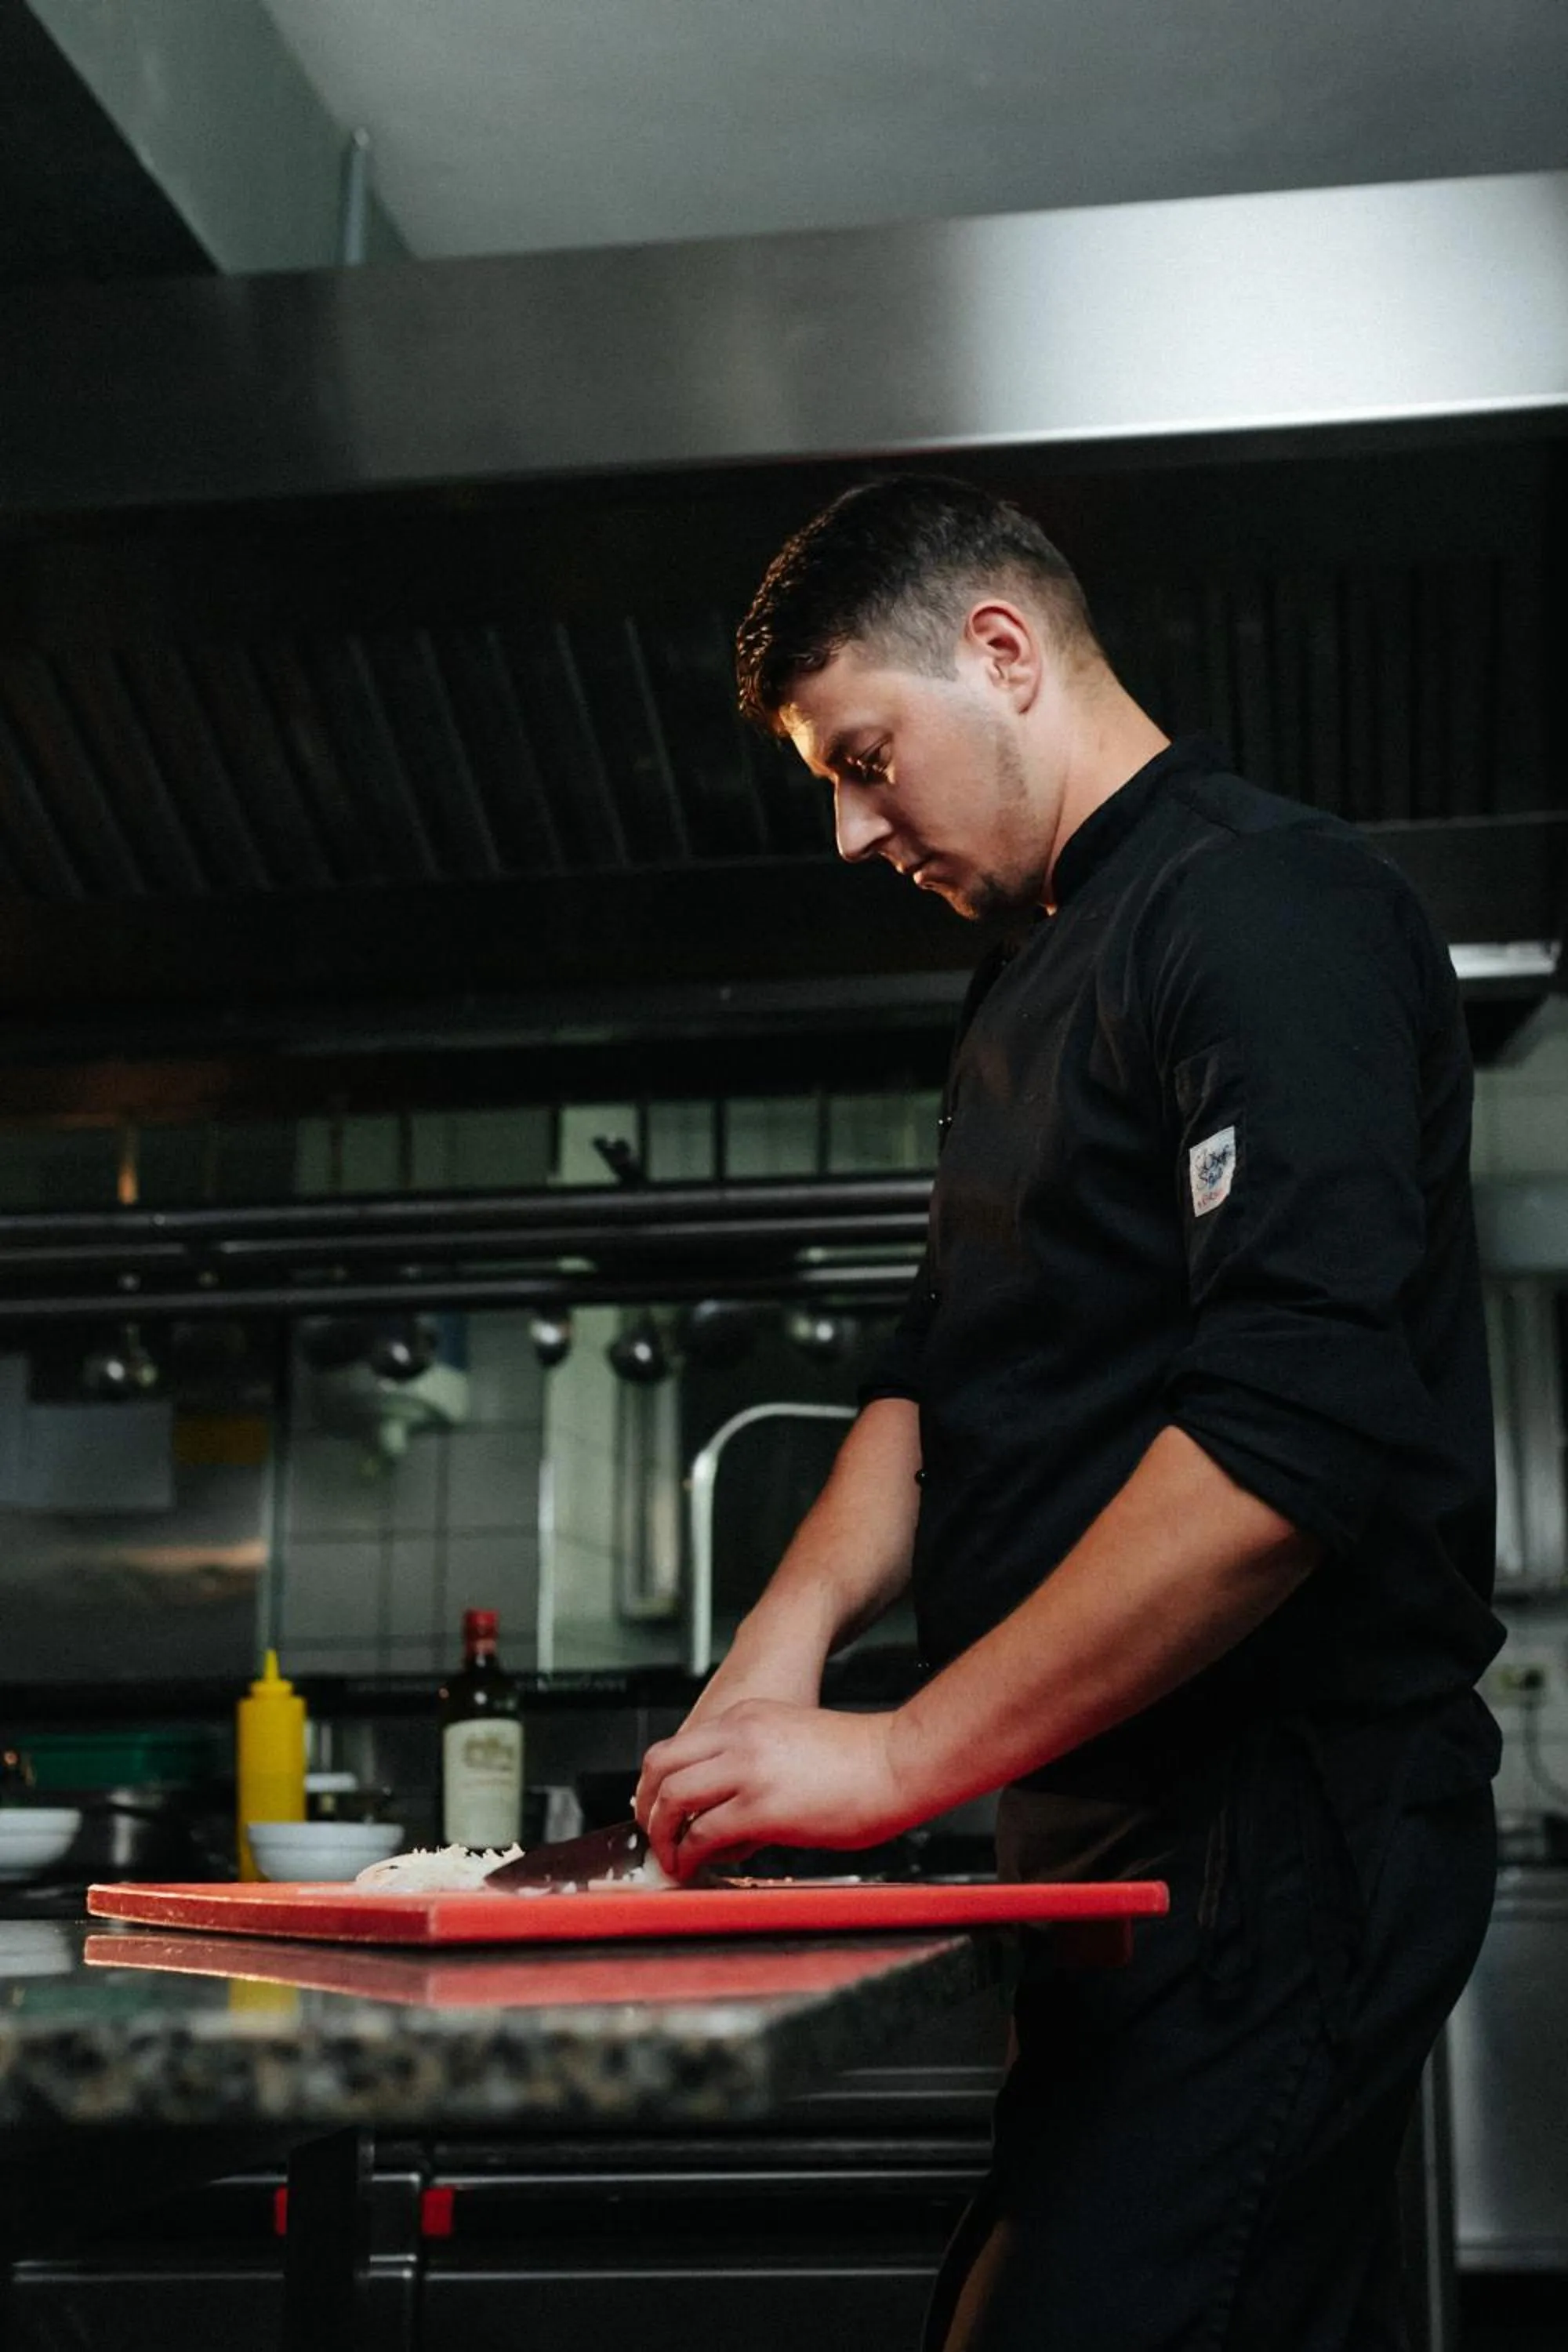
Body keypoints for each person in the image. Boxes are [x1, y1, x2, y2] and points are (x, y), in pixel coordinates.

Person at [634, 475, 1503, 2349]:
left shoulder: (1262, 908)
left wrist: (894, 1757)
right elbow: (930, 1374)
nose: (854, 829)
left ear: (1002, 652)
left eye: (865, 760)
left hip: (1275, 1822)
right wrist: (776, 1658)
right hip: (1106, 1834)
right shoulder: (1029, 971)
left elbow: (1285, 1445)